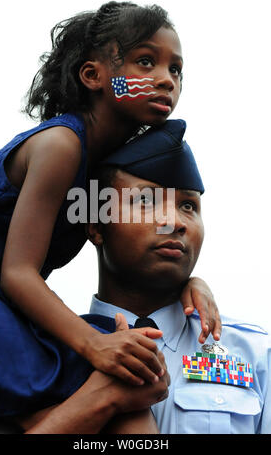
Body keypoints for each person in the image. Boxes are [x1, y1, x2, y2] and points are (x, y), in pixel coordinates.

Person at [0, 1, 220, 424]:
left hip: (0, 297)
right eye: (146, 62)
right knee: (117, 371)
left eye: (175, 70)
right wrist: (93, 345)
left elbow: (131, 252)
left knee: (135, 374)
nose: (166, 81)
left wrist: (189, 283)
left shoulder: (100, 168)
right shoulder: (61, 145)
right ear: (93, 76)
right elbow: (18, 273)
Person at [82, 119, 271, 434]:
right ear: (96, 225)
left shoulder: (252, 355)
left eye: (188, 205)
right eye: (146, 201)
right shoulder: (48, 352)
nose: (175, 222)